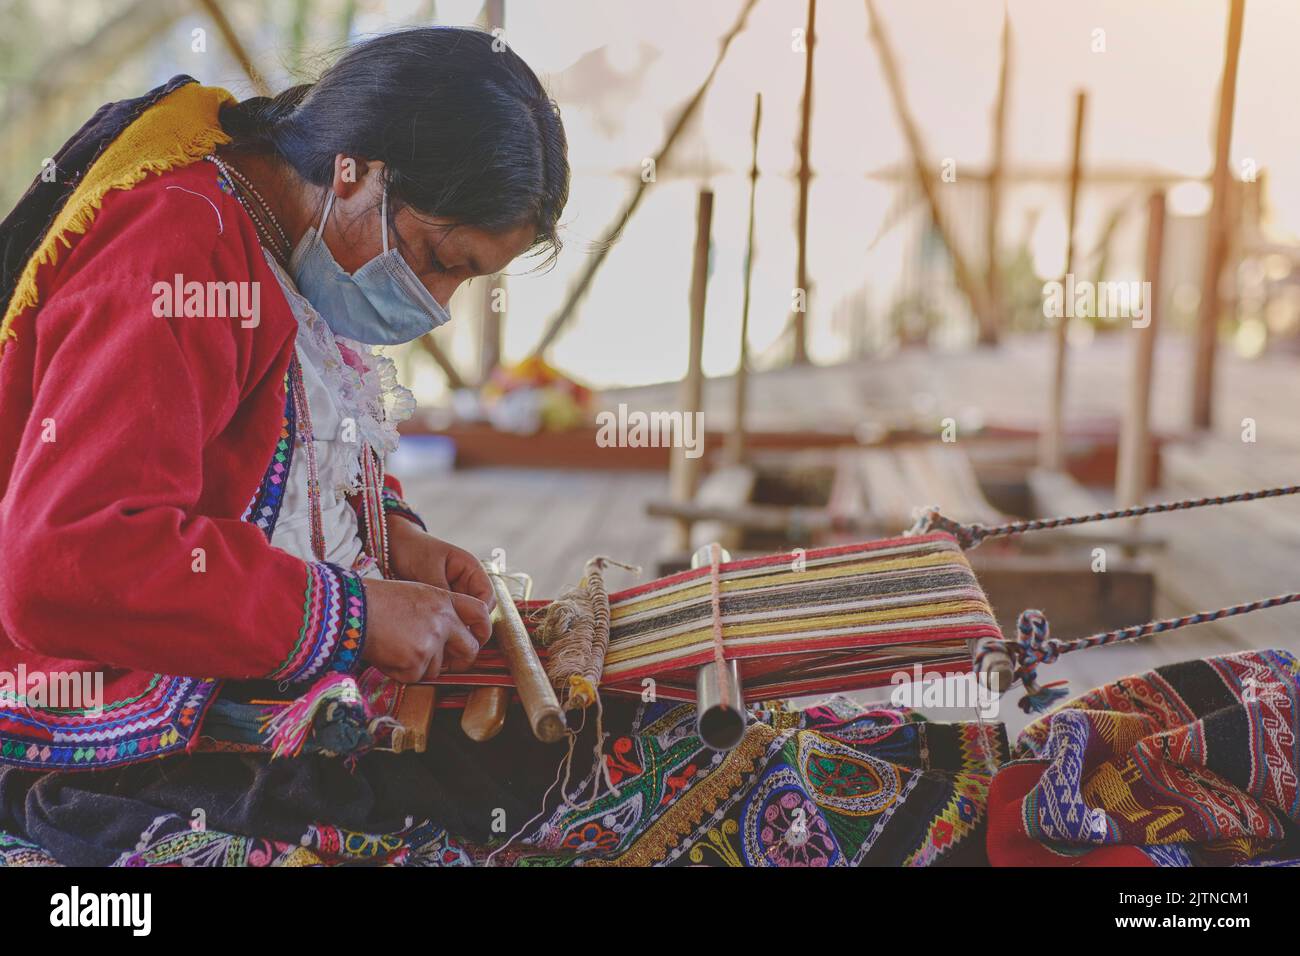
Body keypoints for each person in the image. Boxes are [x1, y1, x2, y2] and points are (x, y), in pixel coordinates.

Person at [0, 27, 996, 867]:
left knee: (638, 739)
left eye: (466, 278)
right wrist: (351, 613)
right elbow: (62, 562)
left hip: (255, 669)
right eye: (439, 259)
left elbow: (299, 437)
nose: (434, 304)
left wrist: (395, 536)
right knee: (552, 798)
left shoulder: (288, 230)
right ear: (357, 169)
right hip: (109, 717)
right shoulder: (178, 245)